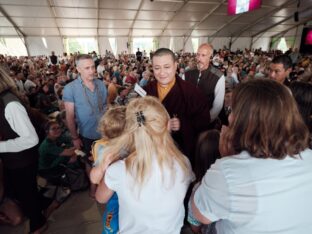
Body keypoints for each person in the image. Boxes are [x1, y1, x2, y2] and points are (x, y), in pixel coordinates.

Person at [191, 79, 312, 234]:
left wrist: (227, 159)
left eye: (233, 111)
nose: (229, 118)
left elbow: (200, 215)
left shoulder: (227, 172)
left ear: (245, 120)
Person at [94, 96, 194, 234]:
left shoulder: (117, 170)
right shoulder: (183, 163)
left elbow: (100, 198)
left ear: (129, 130)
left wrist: (104, 167)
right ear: (166, 126)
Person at [145, 48, 211, 166]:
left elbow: (204, 120)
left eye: (167, 67)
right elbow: (136, 116)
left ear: (175, 66)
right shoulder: (147, 91)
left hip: (181, 155)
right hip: (151, 154)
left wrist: (183, 124)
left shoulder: (191, 92)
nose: (162, 72)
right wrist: (146, 123)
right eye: (157, 68)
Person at [0, 66, 47, 233]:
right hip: (14, 159)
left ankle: (38, 223)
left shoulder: (10, 103)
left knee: (27, 194)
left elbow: (30, 139)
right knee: (24, 191)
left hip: (23, 159)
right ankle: (44, 204)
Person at [90, 106, 126, 234]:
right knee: (111, 226)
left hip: (130, 194)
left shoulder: (135, 145)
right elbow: (94, 178)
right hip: (113, 195)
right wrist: (103, 164)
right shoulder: (103, 148)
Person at [63, 54, 108, 155]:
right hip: (87, 136)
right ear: (79, 69)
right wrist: (75, 138)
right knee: (90, 163)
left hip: (106, 132)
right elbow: (69, 117)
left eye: (93, 67)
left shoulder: (100, 84)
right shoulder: (70, 88)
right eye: (87, 68)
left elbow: (106, 106)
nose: (92, 71)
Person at [184, 43, 225, 122]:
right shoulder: (187, 73)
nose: (199, 58)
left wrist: (205, 120)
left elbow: (218, 105)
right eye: (198, 55)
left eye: (203, 55)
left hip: (206, 121)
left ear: (210, 57)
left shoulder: (218, 76)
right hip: (187, 120)